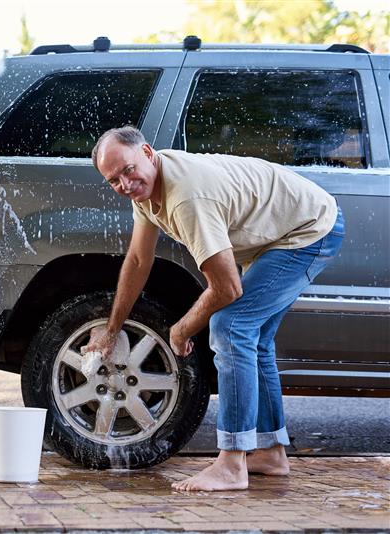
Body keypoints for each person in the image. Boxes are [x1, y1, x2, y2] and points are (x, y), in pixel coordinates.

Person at [83, 126, 344, 491]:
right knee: (254, 338)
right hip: (275, 236)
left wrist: (182, 329)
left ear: (147, 152)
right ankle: (270, 452)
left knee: (230, 325)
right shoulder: (145, 191)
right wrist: (111, 330)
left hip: (308, 230)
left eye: (127, 170)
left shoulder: (187, 197)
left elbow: (226, 288)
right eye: (113, 180)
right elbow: (139, 259)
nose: (124, 184)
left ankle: (231, 464)